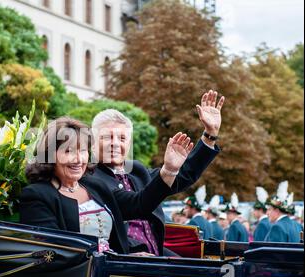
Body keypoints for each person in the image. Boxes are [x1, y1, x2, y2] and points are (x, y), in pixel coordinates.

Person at [18, 117, 198, 254]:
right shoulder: (37, 194)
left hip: (115, 275)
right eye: (68, 151)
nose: (78, 159)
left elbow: (140, 204)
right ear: (49, 155)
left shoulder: (96, 187)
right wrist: (115, 261)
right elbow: (53, 253)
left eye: (82, 151)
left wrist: (169, 169)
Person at [90, 90, 223, 255]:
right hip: (123, 261)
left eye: (122, 139)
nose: (115, 144)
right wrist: (168, 170)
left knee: (208, 272)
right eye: (107, 137)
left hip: (157, 253)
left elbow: (181, 176)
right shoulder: (90, 177)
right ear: (93, 143)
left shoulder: (136, 170)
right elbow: (137, 204)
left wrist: (209, 135)